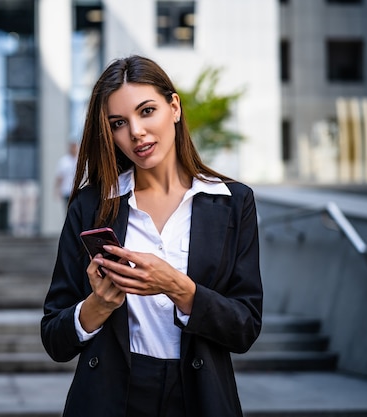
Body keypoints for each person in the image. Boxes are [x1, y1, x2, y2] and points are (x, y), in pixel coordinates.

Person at [40, 55, 263, 417]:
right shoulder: (91, 204)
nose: (136, 132)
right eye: (118, 123)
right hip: (112, 396)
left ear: (174, 107)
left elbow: (246, 327)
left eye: (147, 111)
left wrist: (179, 287)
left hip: (200, 395)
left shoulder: (234, 203)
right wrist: (99, 305)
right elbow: (54, 337)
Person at [55, 142, 79, 207]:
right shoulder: (64, 161)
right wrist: (57, 189)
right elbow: (59, 177)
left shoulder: (79, 160)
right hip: (67, 190)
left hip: (77, 190)